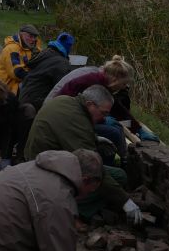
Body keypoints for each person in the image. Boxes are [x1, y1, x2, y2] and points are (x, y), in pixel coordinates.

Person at [25, 85, 142, 225]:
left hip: (38, 160)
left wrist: (94, 139)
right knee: (118, 176)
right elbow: (95, 170)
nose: (103, 118)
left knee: (113, 176)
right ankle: (73, 209)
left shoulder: (65, 100)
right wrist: (125, 201)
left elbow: (67, 131)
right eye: (104, 113)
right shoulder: (76, 120)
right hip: (45, 172)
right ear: (90, 105)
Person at [18, 32, 76, 111]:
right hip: (36, 104)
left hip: (24, 96)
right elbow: (63, 88)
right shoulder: (62, 63)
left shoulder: (45, 53)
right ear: (69, 47)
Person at [0, 24, 42, 95]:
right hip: (8, 89)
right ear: (21, 35)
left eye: (35, 37)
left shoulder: (32, 48)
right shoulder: (11, 49)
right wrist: (37, 76)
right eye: (30, 36)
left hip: (19, 85)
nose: (33, 39)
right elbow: (17, 73)